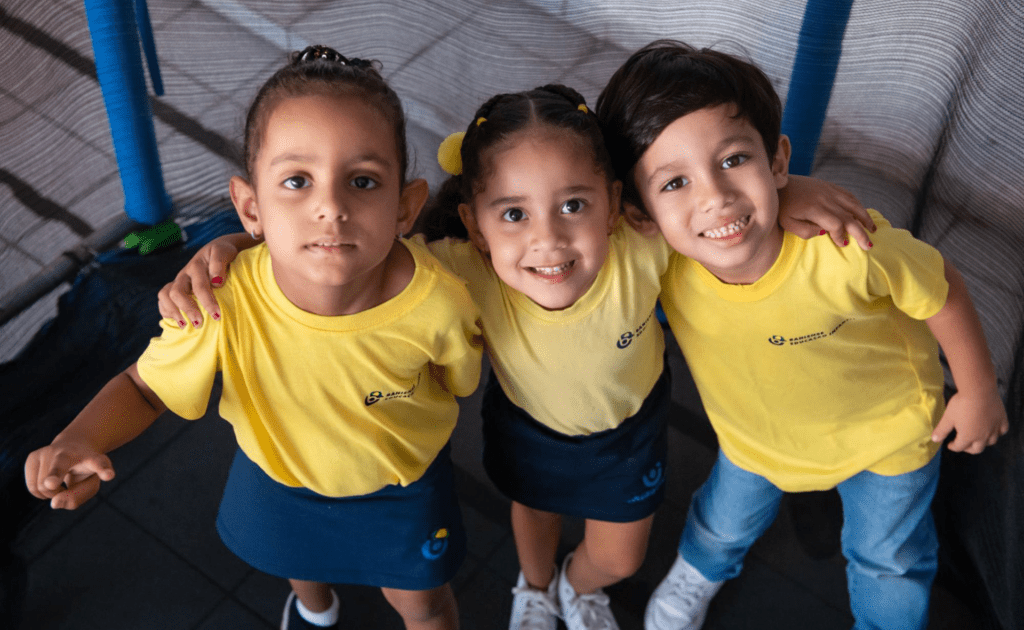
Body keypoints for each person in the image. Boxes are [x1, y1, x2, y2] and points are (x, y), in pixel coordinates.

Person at [157, 78, 875, 630]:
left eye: (573, 205)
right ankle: (534, 587)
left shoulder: (643, 245)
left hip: (627, 434)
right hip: (527, 427)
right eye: (513, 214)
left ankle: (577, 586)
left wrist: (784, 190)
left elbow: (707, 215)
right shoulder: (459, 265)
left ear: (614, 199)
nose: (547, 241)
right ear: (473, 224)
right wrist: (233, 246)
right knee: (533, 513)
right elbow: (338, 243)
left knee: (618, 556)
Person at [24, 46, 483, 630]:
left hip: (402, 489)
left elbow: (457, 380)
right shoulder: (219, 300)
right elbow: (145, 389)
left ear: (406, 206)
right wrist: (79, 436)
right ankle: (316, 613)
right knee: (301, 565)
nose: (330, 208)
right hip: (281, 482)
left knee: (424, 605)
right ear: (250, 207)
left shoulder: (441, 301)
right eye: (297, 180)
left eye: (362, 180)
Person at [596, 40, 1010, 630]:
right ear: (638, 213)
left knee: (889, 559)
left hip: (888, 437)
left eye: (734, 160)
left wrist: (977, 389)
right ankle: (699, 572)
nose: (715, 198)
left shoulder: (845, 248)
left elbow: (940, 285)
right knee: (720, 523)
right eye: (674, 183)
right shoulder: (657, 261)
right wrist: (785, 189)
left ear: (778, 160)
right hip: (757, 440)